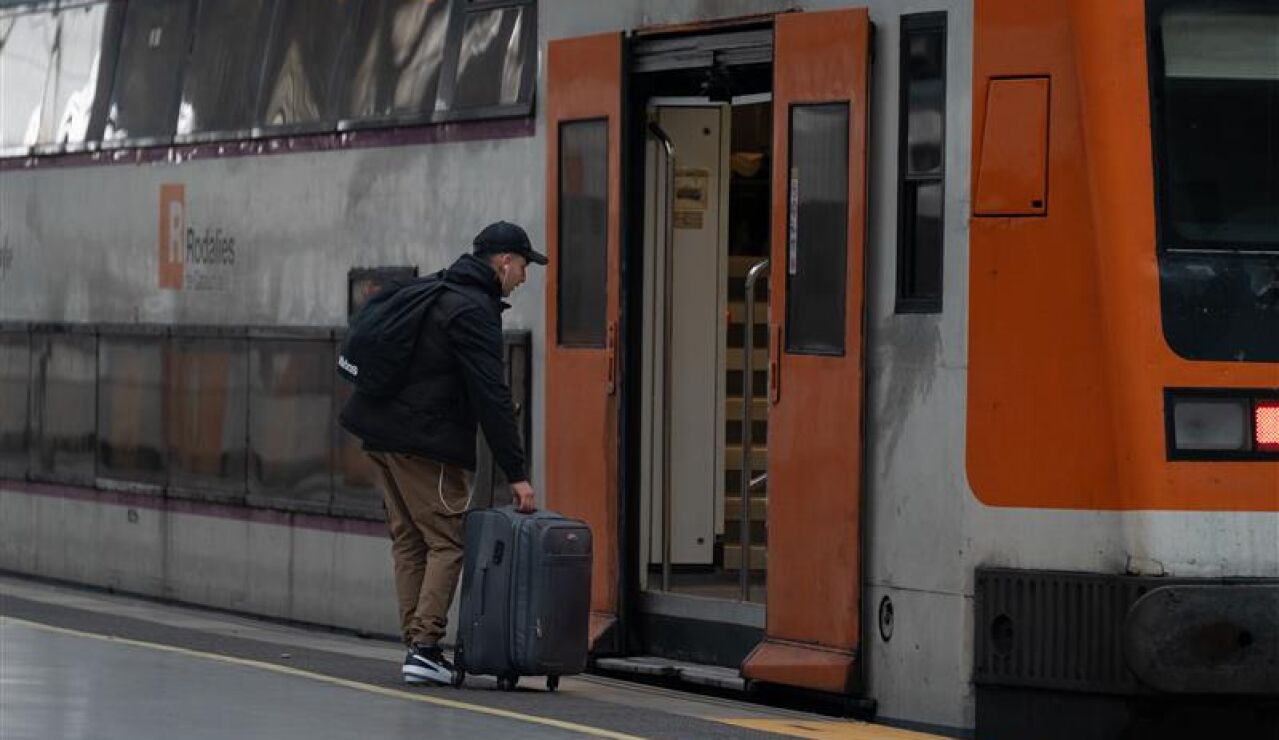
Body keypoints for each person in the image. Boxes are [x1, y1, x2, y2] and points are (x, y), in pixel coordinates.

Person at [340, 221, 546, 686]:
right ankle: (427, 646)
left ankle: (416, 647)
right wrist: (517, 472)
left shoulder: (439, 288)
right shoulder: (474, 310)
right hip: (424, 444)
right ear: (505, 262)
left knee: (411, 539)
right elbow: (490, 395)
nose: (525, 278)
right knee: (448, 540)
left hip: (380, 435)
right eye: (525, 267)